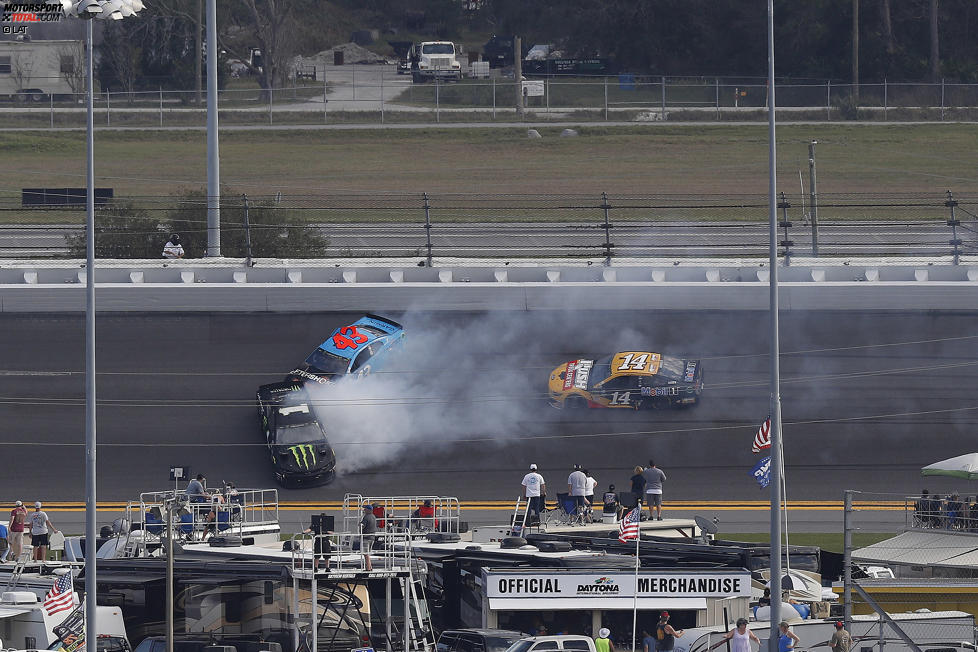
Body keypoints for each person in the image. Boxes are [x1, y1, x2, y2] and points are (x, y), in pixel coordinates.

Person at [359, 504, 377, 570]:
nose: (364, 510)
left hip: (366, 538)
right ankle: (370, 567)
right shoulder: (373, 516)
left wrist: (360, 524)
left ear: (368, 510)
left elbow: (362, 525)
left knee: (365, 554)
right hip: (372, 537)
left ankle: (368, 568)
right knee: (367, 553)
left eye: (365, 509)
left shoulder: (366, 517)